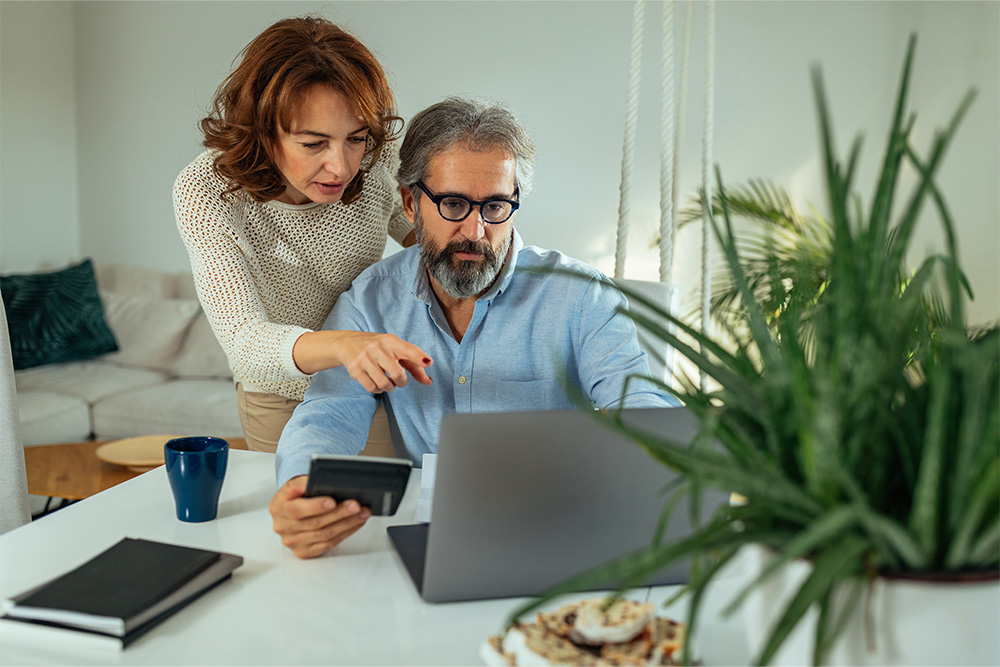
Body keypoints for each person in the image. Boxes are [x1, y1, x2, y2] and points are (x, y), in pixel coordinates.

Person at [268, 97, 678, 559]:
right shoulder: (372, 299)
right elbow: (329, 413)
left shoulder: (582, 296)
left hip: (560, 527)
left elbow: (639, 399)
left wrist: (651, 451)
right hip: (435, 534)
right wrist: (302, 483)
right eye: (455, 204)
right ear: (410, 202)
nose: (477, 231)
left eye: (496, 206)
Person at [173, 16, 432, 453]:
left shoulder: (376, 157)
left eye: (356, 138)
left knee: (387, 510)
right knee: (298, 516)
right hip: (279, 392)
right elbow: (244, 340)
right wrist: (348, 345)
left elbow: (427, 244)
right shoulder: (208, 192)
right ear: (261, 132)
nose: (342, 166)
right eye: (314, 144)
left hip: (370, 375)